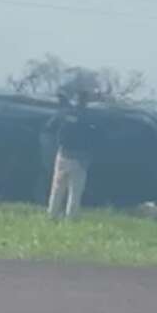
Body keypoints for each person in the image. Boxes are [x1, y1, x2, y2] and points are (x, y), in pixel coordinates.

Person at [47, 91, 97, 219]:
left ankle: (52, 214)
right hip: (79, 159)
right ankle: (71, 217)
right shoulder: (88, 116)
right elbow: (95, 136)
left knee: (57, 188)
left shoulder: (65, 113)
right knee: (75, 192)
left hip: (63, 155)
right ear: (86, 101)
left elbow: (50, 126)